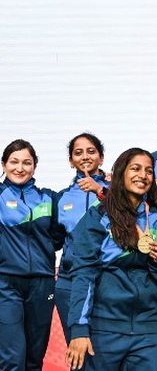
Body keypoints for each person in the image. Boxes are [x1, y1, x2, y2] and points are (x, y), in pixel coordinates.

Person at [66, 148, 157, 370]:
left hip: (149, 330)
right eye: (135, 168)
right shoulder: (99, 217)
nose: (143, 175)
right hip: (106, 327)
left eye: (149, 171)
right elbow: (84, 273)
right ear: (121, 173)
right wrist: (79, 329)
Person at [0, 139, 59, 371]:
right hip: (5, 283)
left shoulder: (49, 198)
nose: (20, 168)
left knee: (34, 360)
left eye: (27, 162)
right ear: (4, 165)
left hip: (42, 284)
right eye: (14, 162)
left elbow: (58, 236)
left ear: (35, 166)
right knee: (12, 359)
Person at [55, 133, 109, 344]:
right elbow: (55, 239)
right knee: (77, 348)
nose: (85, 156)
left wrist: (100, 190)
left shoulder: (115, 191)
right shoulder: (61, 197)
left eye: (91, 151)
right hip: (69, 282)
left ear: (101, 158)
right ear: (71, 161)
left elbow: (126, 214)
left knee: (103, 352)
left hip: (106, 279)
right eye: (78, 153)